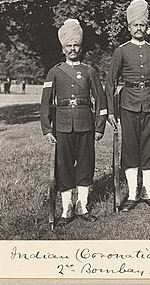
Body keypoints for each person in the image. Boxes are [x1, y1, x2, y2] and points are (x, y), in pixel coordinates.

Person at [106, 0, 150, 212]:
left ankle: (148, 192)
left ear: (147, 26)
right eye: (135, 25)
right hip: (128, 103)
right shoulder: (121, 51)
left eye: (142, 25)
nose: (139, 28)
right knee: (131, 147)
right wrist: (111, 111)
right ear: (129, 27)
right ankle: (133, 194)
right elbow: (110, 82)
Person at [40, 19, 107, 226]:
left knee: (86, 165)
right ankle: (67, 208)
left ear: (80, 47)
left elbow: (101, 101)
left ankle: (83, 205)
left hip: (86, 124)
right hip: (62, 125)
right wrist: (47, 128)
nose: (72, 49)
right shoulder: (55, 71)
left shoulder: (89, 71)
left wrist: (99, 126)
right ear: (63, 48)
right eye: (69, 46)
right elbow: (45, 102)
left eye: (76, 45)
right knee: (64, 166)